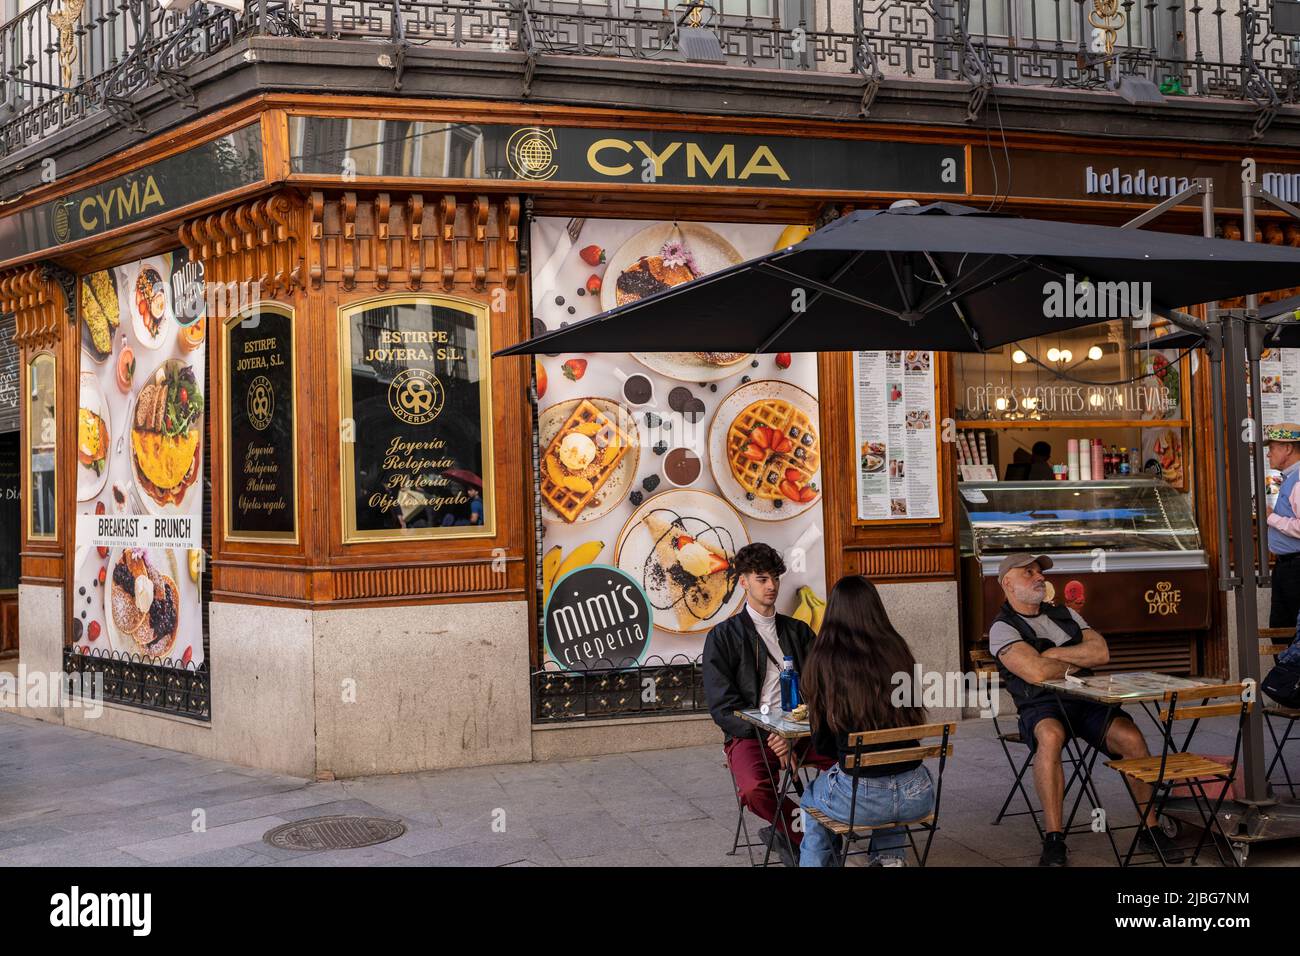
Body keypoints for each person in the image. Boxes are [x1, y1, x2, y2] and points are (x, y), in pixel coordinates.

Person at [990, 553, 1184, 866]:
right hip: (1041, 705)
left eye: (1040, 572)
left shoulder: (1064, 614)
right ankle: (1054, 838)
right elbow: (1036, 674)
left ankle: (1150, 828)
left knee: (1131, 738)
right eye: (1029, 573)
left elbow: (1101, 652)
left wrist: (1052, 655)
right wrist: (1075, 660)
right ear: (1008, 583)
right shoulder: (1003, 628)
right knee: (1050, 737)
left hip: (1088, 700)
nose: (1039, 577)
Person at [702, 542, 834, 867]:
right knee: (753, 789)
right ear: (744, 581)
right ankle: (806, 834)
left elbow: (823, 688)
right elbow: (722, 706)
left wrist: (797, 731)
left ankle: (821, 825)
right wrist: (771, 735)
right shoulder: (723, 637)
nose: (771, 585)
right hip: (752, 735)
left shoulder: (798, 631)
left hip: (802, 733)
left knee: (844, 763)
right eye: (762, 578)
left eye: (775, 577)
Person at [798, 575, 935, 867]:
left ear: (833, 611)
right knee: (889, 771)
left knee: (810, 800)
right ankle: (889, 859)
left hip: (861, 799)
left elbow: (822, 745)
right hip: (918, 792)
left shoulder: (824, 659)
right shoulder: (898, 650)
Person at [1264, 423, 1300, 628]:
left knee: (1288, 628)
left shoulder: (1298, 480)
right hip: (1287, 566)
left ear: (1287, 448)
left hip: (1295, 567)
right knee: (1282, 626)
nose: (1268, 455)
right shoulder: (1290, 479)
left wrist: (1271, 518)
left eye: (1272, 448)